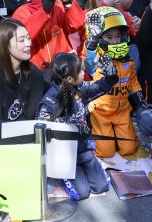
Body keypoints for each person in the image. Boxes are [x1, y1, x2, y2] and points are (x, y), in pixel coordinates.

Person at [37, 52, 116, 200]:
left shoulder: (78, 87)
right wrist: (67, 126)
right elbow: (41, 127)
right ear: (69, 79)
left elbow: (97, 87)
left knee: (102, 186)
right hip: (65, 154)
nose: (83, 73)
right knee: (82, 193)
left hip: (83, 148)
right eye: (80, 71)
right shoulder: (50, 100)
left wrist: (111, 76)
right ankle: (61, 175)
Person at [83, 7, 145, 158]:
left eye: (118, 36)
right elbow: (88, 62)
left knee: (129, 149)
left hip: (122, 111)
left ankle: (116, 137)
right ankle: (94, 134)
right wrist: (92, 43)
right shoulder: (96, 58)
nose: (115, 41)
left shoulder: (128, 59)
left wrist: (139, 99)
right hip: (101, 112)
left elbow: (133, 82)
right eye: (109, 37)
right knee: (105, 152)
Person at [12, 0, 85, 70]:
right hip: (38, 69)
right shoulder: (21, 12)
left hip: (63, 66)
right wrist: (44, 11)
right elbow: (25, 37)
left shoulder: (58, 5)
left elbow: (77, 24)